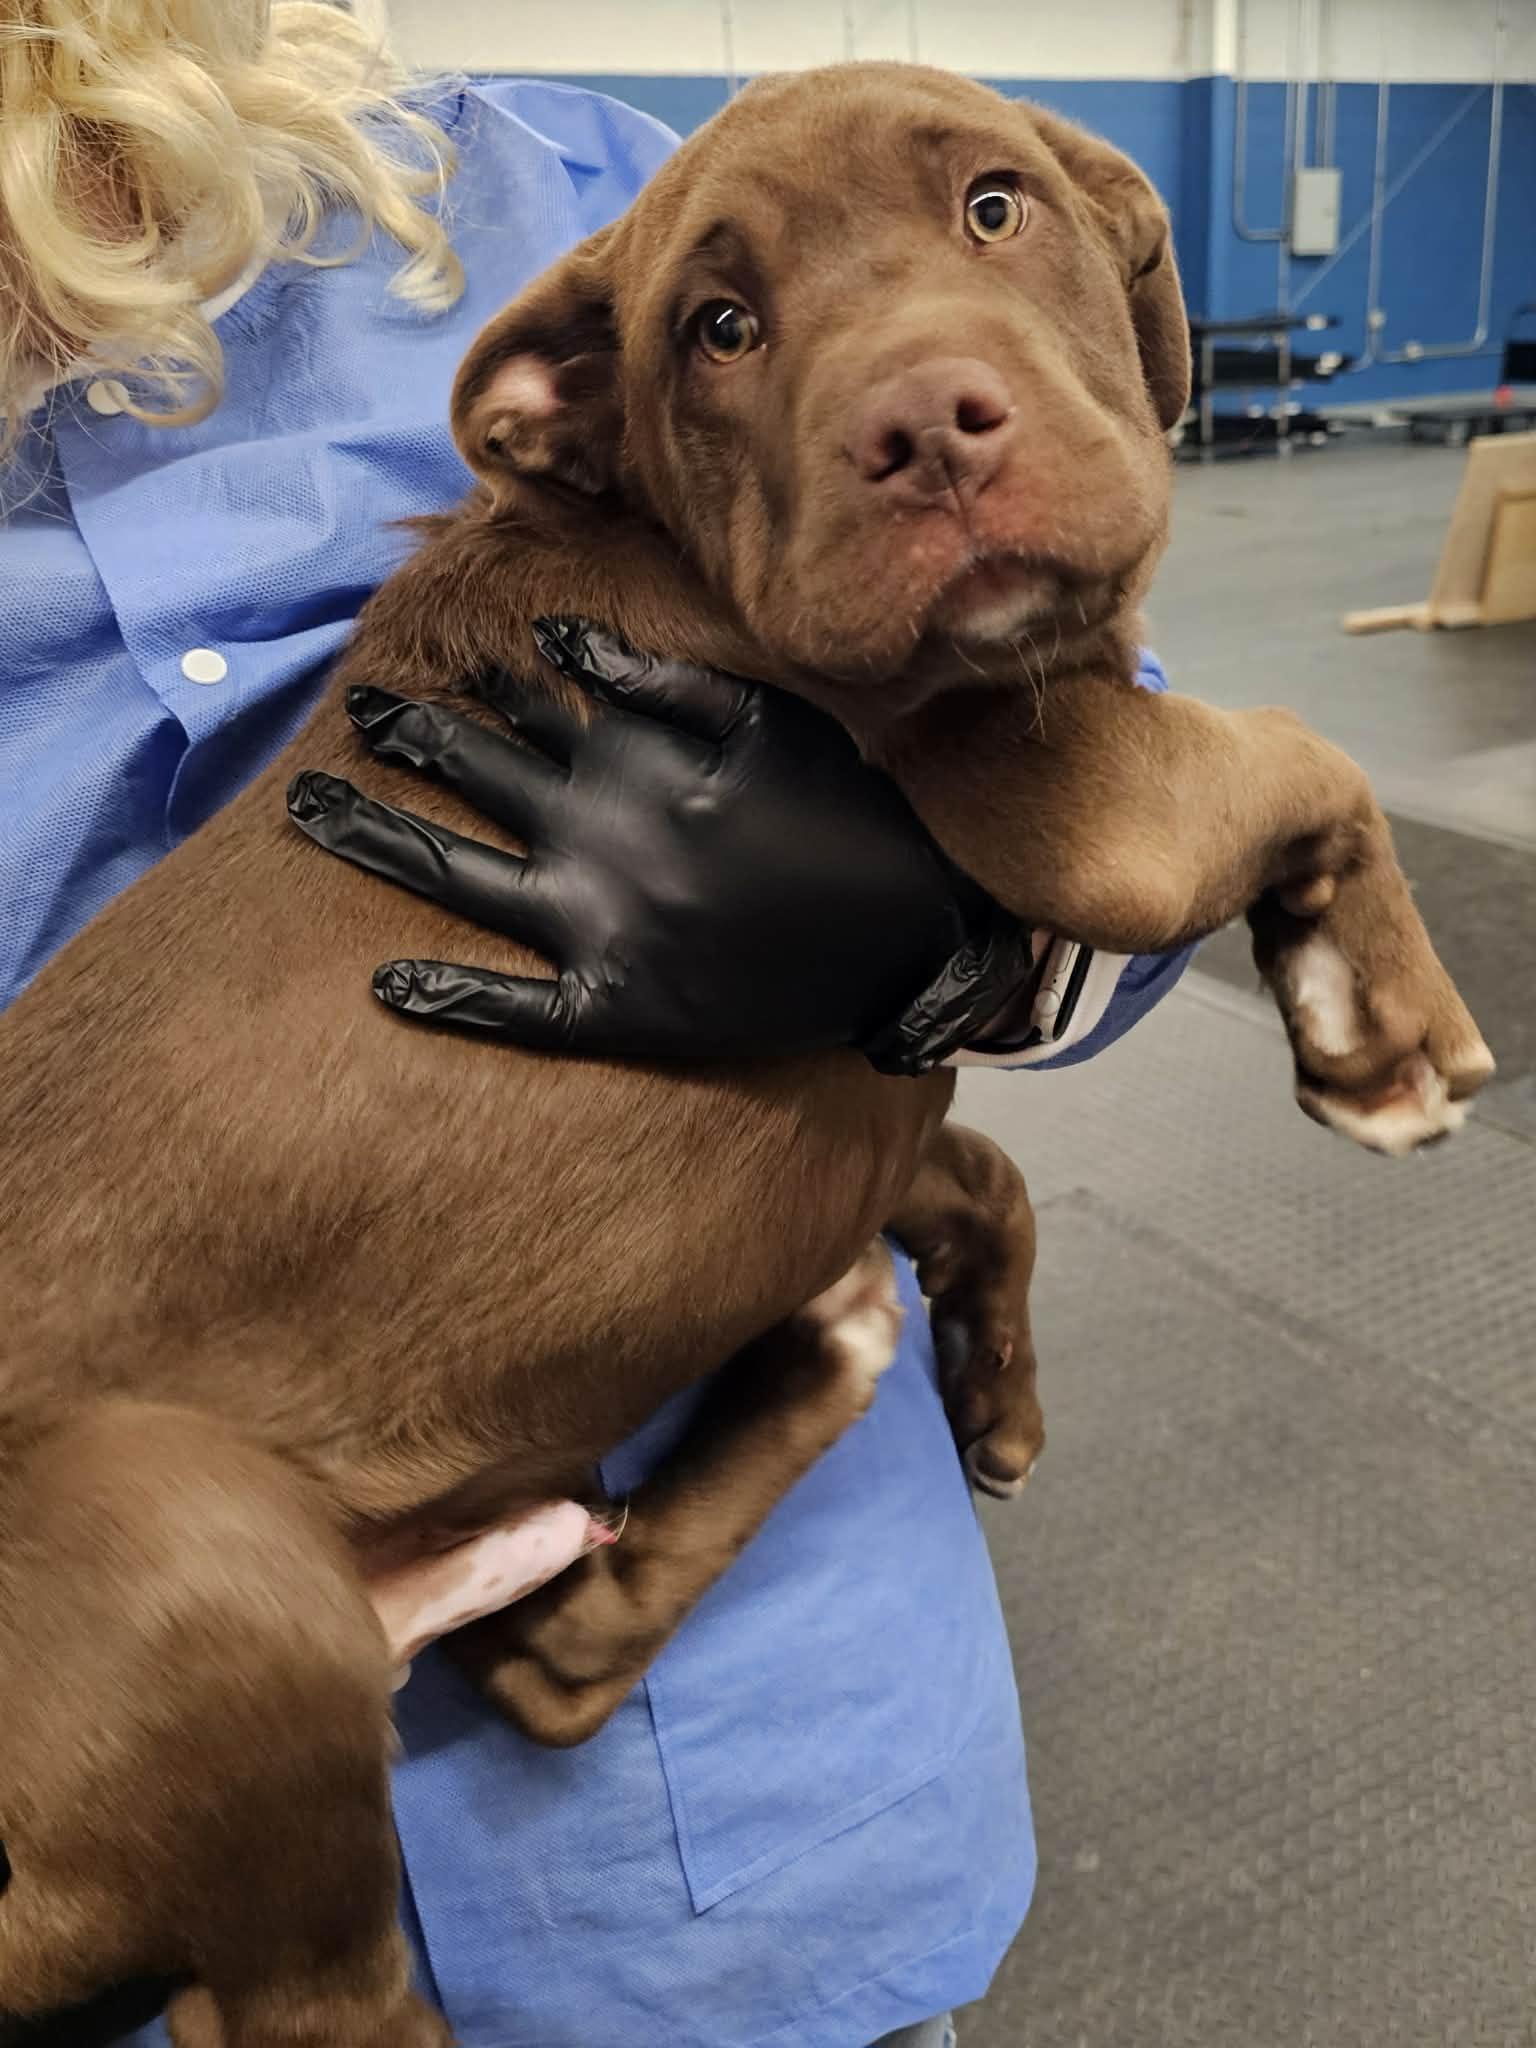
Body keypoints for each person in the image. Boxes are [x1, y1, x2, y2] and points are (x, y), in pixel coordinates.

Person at [0, 5, 1190, 2043]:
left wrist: (941, 946)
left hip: (741, 1838)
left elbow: (1129, 780)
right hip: (110, 1799)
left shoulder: (570, 202)